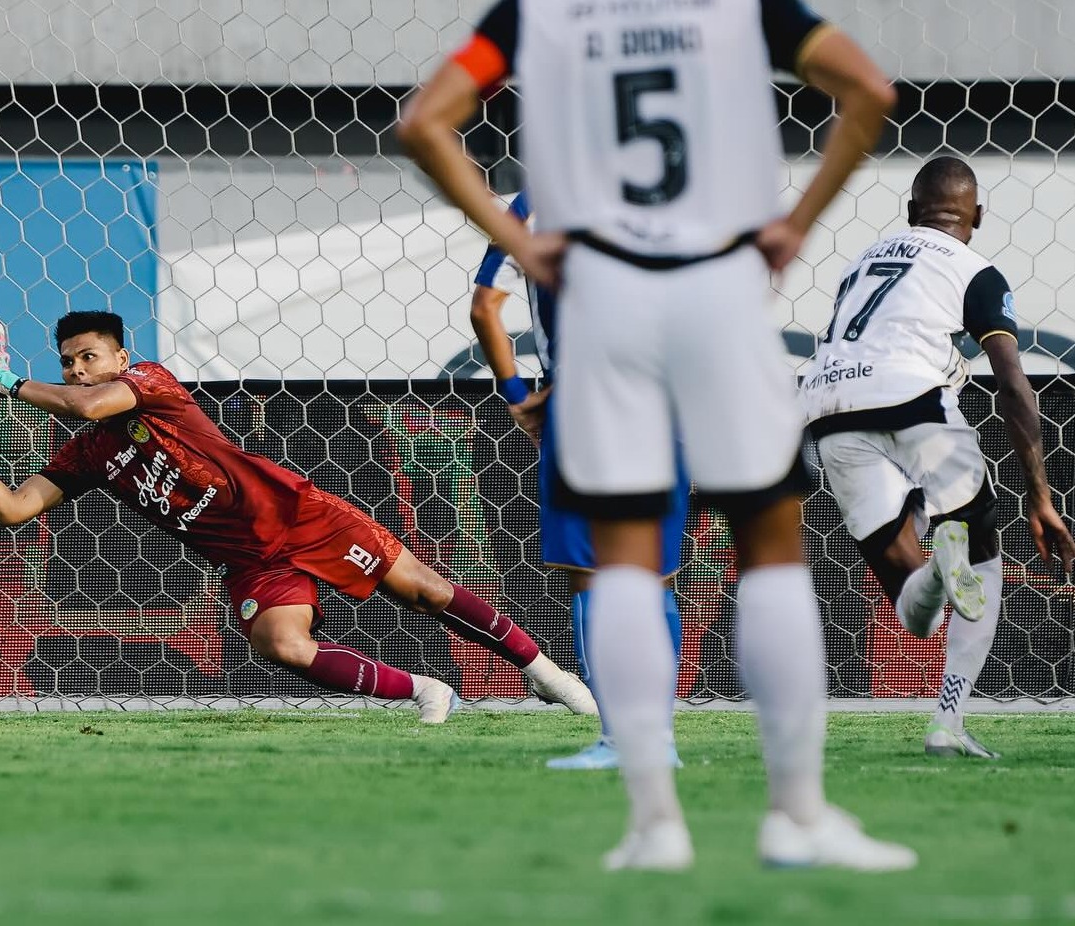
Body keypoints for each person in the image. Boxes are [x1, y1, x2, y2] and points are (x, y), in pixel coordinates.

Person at [399, 0, 913, 870]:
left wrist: (521, 244)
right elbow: (868, 90)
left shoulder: (539, 15)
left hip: (603, 304)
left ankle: (653, 824)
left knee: (621, 560)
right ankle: (797, 813)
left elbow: (423, 123)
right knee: (770, 545)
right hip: (714, 287)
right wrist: (796, 224)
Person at [0, 311, 597, 723]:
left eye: (89, 357)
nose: (79, 369)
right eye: (68, 362)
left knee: (426, 591)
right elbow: (14, 510)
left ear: (119, 356)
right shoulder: (87, 455)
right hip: (249, 561)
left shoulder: (150, 383)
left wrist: (10, 383)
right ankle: (425, 691)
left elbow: (85, 403)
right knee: (281, 647)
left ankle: (545, 673)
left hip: (298, 516)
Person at [804, 157, 1075, 759]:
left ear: (910, 212)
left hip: (826, 409)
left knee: (914, 612)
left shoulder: (861, 262)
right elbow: (1013, 386)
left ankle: (934, 568)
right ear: (976, 215)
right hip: (914, 398)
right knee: (984, 557)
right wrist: (1041, 498)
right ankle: (946, 725)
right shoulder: (975, 270)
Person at [469, 190, 686, 770]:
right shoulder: (671, 194)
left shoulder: (539, 201)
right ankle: (660, 740)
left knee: (593, 578)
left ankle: (620, 740)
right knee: (655, 575)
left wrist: (520, 399)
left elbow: (485, 308)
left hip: (583, 401)